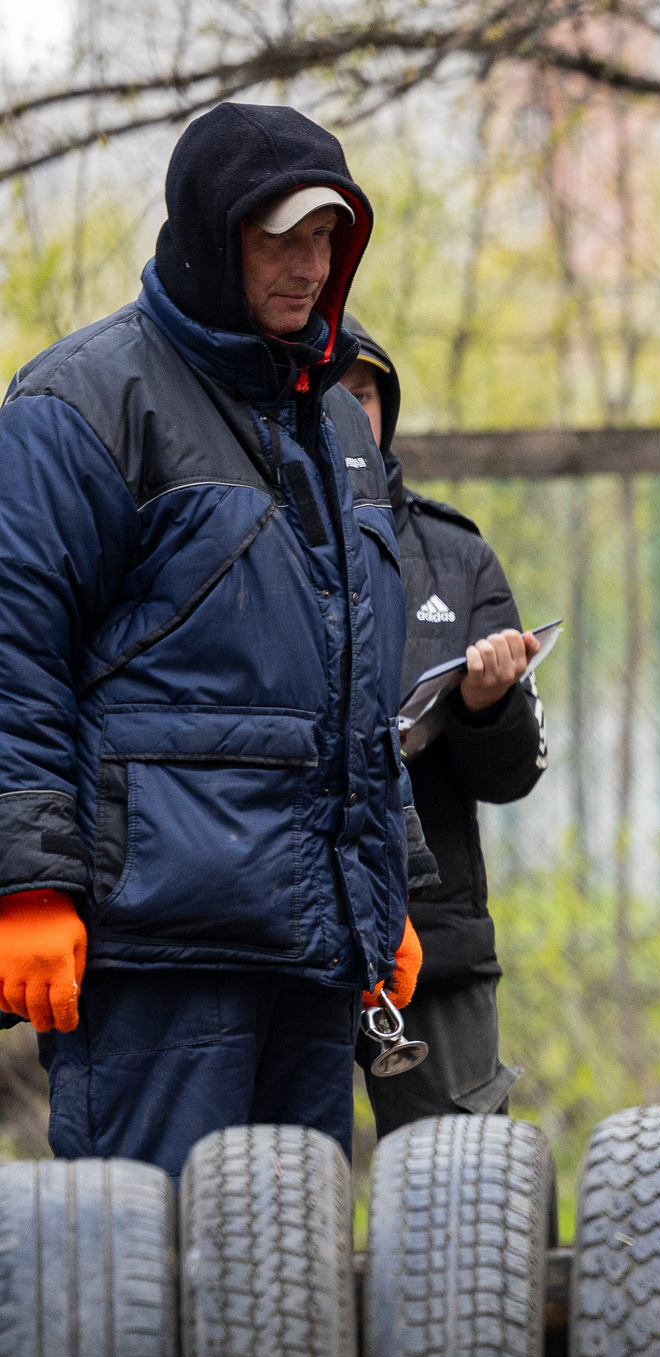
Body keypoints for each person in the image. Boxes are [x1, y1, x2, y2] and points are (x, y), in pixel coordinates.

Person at [0, 102, 431, 1174]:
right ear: (209, 231)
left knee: (286, 1293)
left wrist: (389, 892)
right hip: (157, 952)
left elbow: (358, 680)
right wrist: (28, 887)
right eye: (281, 236)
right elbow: (15, 657)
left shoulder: (334, 418)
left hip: (312, 954)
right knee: (136, 1288)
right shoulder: (83, 405)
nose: (311, 266)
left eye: (329, 238)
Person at [338, 315, 547, 1127]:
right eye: (328, 397)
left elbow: (514, 773)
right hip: (280, 937)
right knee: (268, 1186)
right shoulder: (249, 537)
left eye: (364, 396)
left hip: (435, 933)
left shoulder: (457, 555)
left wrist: (487, 705)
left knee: (463, 1188)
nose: (349, 417)